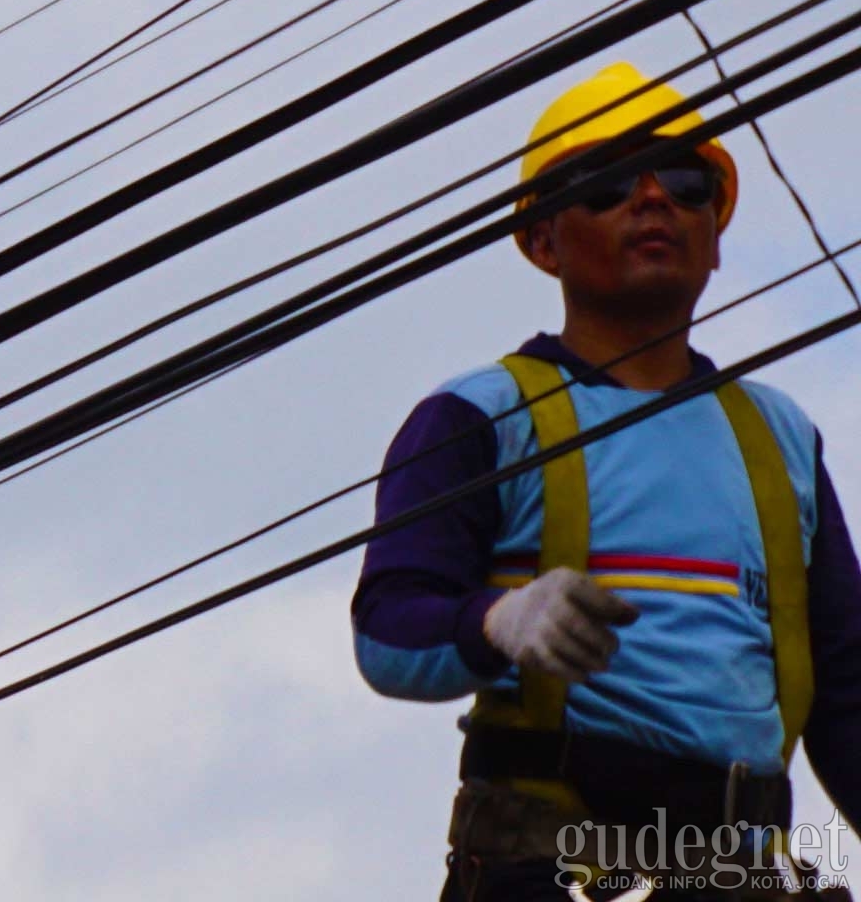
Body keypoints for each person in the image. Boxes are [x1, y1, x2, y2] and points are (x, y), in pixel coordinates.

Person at [354, 63, 861, 895]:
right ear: (543, 240)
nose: (654, 198)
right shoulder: (482, 416)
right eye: (610, 182)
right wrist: (498, 624)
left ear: (718, 235)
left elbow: (847, 696)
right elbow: (385, 633)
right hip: (547, 871)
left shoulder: (780, 438)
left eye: (687, 182)